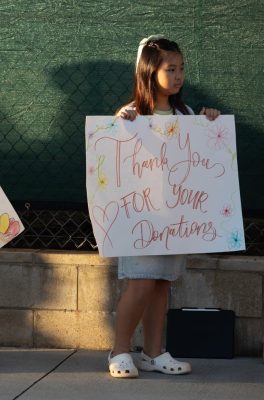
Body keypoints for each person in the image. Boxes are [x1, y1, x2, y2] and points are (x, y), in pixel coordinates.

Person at [108, 35, 220, 378]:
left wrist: (209, 123)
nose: (178, 75)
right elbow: (112, 146)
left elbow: (200, 156)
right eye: (170, 68)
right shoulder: (133, 114)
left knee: (161, 283)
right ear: (149, 71)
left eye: (182, 68)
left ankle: (154, 353)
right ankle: (119, 351)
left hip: (174, 217)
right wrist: (120, 121)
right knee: (140, 282)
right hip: (140, 215)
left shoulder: (186, 114)